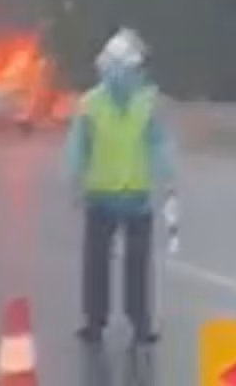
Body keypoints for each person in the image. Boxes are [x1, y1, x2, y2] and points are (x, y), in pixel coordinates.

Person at [65, 28, 176, 345]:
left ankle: (139, 321)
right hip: (100, 196)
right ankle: (95, 321)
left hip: (136, 197)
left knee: (138, 264)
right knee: (96, 263)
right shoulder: (91, 104)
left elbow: (159, 143)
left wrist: (167, 177)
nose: (129, 75)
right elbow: (78, 147)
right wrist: (74, 182)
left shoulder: (148, 103)